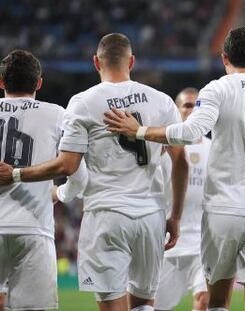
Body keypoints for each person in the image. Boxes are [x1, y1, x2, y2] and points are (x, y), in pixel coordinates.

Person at [103, 27, 245, 311]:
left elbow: (192, 132)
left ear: (224, 57)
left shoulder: (218, 89)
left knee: (217, 303)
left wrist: (139, 130)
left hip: (224, 211)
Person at [0, 33, 189, 311]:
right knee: (144, 304)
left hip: (106, 214)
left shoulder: (85, 102)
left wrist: (16, 174)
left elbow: (69, 165)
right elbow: (181, 161)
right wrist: (176, 217)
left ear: (95, 62)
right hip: (150, 215)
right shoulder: (161, 101)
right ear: (132, 61)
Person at [0, 49, 65, 310]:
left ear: (1, 82)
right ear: (39, 82)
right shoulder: (58, 114)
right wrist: (60, 193)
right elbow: (78, 171)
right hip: (34, 228)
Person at [154, 88, 210, 311]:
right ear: (176, 110)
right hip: (169, 242)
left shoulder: (213, 148)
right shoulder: (162, 148)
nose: (192, 109)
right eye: (187, 105)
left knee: (204, 300)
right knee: (155, 305)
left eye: (198, 105)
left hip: (204, 241)